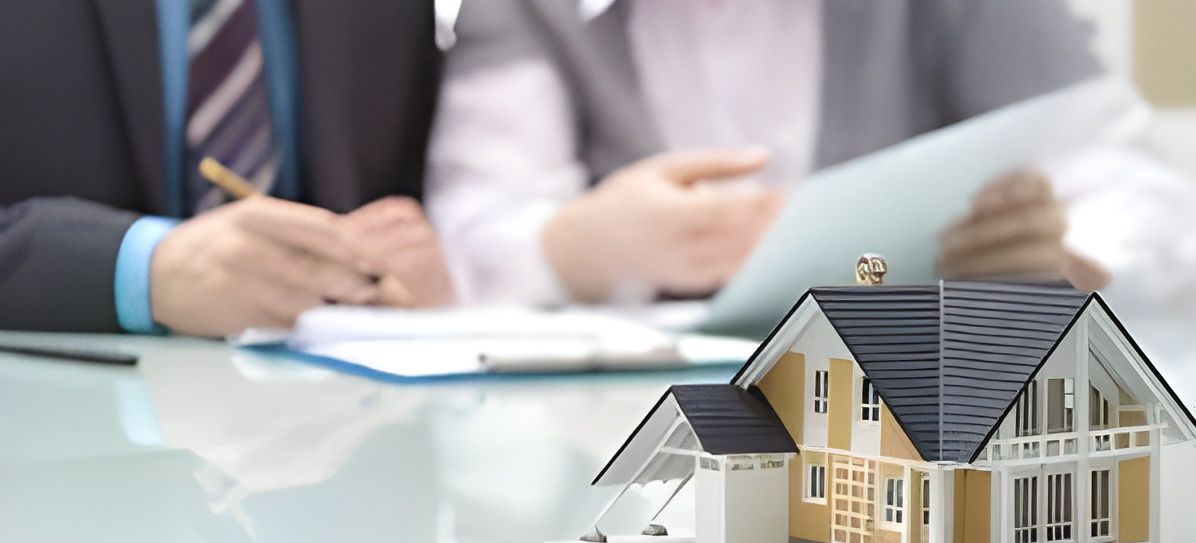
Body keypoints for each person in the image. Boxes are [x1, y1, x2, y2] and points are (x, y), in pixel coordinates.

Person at [426, 0, 1115, 306]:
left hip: (915, 411)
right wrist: (576, 251)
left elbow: (1121, 178)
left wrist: (1061, 260)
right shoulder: (519, 10)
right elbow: (468, 231)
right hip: (610, 436)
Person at [0, 0, 453, 336]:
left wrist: (400, 264)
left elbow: (420, 188)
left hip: (327, 404)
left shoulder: (398, 14)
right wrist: (145, 269)